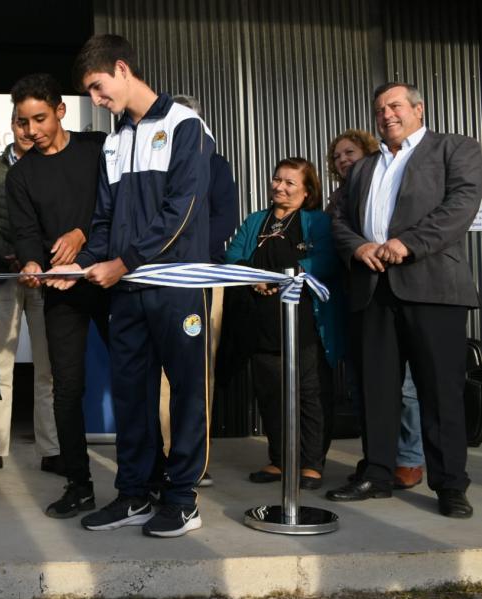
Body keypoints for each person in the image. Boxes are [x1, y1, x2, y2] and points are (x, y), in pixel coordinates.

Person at [50, 34, 213, 538]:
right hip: (127, 292)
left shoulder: (184, 126)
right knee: (131, 396)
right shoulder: (116, 141)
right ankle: (135, 493)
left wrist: (124, 262)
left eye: (98, 89)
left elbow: (181, 213)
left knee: (186, 392)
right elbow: (103, 220)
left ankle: (182, 499)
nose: (97, 101)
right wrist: (83, 264)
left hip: (176, 284)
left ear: (122, 69)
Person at [328, 82, 482, 519]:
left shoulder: (455, 148)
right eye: (379, 109)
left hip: (433, 287)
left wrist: (408, 244)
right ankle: (376, 474)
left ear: (418, 108)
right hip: (373, 288)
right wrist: (357, 247)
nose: (386, 115)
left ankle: (450, 484)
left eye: (394, 106)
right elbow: (338, 218)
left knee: (440, 392)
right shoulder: (364, 167)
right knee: (376, 392)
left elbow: (460, 206)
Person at [2, 73, 107, 517]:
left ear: (61, 111)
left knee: (134, 380)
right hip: (60, 290)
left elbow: (115, 207)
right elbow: (25, 233)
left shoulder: (97, 148)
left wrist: (83, 235)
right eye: (24, 123)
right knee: (67, 388)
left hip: (109, 279)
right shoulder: (21, 174)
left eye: (40, 119)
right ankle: (78, 484)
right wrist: (29, 263)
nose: (32, 131)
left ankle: (148, 477)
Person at [225, 157, 344, 490]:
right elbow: (233, 256)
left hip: (306, 324)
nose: (279, 186)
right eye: (277, 179)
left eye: (290, 183)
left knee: (310, 394)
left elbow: (326, 260)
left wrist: (284, 277)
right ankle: (279, 459)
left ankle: (311, 464)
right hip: (262, 324)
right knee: (270, 393)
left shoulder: (316, 221)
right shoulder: (255, 221)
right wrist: (253, 278)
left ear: (307, 192)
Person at [0, 106, 61, 478]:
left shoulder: (52, 165)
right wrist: (7, 256)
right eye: (21, 123)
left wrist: (36, 258)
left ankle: (51, 450)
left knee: (47, 369)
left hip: (43, 277)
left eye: (33, 123)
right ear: (11, 126)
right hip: (0, 274)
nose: (27, 131)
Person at [326, 129, 424, 490]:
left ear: (368, 151)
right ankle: (376, 459)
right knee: (366, 386)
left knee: (406, 387)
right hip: (357, 297)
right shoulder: (339, 197)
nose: (342, 160)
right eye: (336, 157)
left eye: (348, 152)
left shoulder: (392, 180)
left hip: (398, 291)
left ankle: (409, 458)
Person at [158, 93, 240, 489]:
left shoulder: (215, 163)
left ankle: (194, 458)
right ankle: (164, 452)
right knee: (159, 374)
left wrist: (195, 254)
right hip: (159, 275)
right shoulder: (156, 162)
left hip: (203, 275)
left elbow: (226, 217)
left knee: (198, 369)